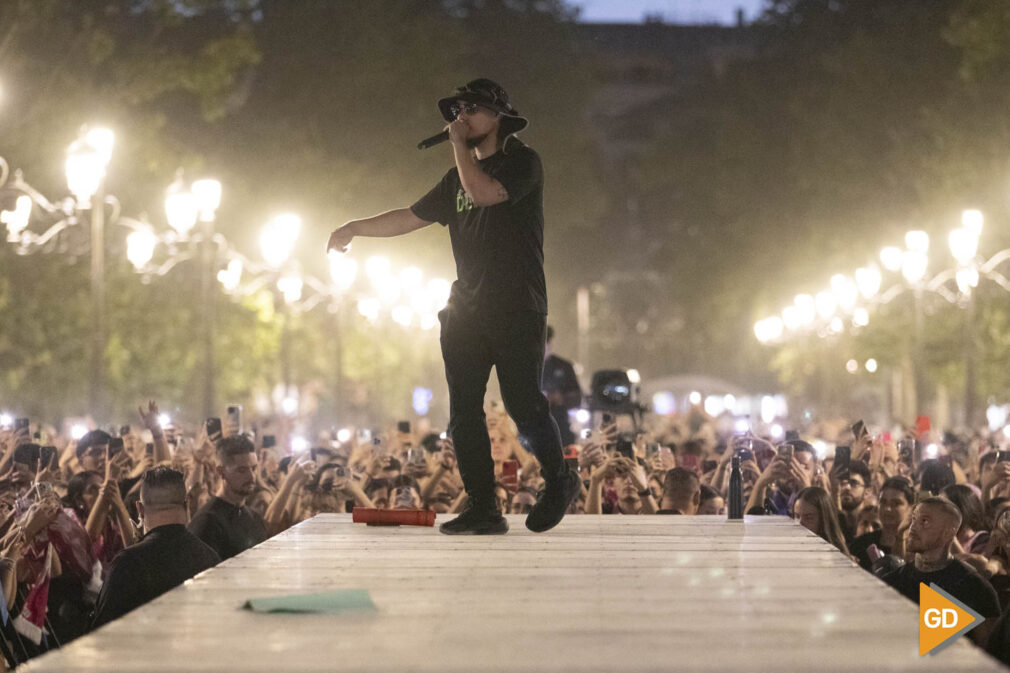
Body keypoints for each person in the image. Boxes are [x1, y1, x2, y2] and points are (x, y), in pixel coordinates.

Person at [326, 78, 578, 535]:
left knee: (523, 403)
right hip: (466, 309)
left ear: (498, 116)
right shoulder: (454, 178)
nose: (460, 118)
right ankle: (484, 506)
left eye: (472, 110)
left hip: (518, 305)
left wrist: (459, 148)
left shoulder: (523, 162)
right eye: (456, 110)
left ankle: (560, 479)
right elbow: (411, 216)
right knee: (463, 410)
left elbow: (485, 192)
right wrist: (354, 228)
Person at [92, 467, 220, 628]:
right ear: (186, 504)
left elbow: (101, 630)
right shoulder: (209, 557)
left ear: (140, 509)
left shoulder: (128, 563)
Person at [881, 496, 1000, 646]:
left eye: (924, 521)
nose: (913, 528)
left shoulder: (974, 588)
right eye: (913, 519)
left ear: (948, 532)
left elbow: (990, 652)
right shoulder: (891, 583)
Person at [188, 435, 268, 561]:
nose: (251, 476)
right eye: (242, 470)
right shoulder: (207, 522)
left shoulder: (255, 519)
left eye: (254, 468)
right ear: (221, 471)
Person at [850, 476, 914, 571]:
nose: (887, 509)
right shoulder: (861, 544)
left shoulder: (918, 547)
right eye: (883, 502)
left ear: (911, 508)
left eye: (896, 503)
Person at [541, 325, 581, 446]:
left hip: (560, 426)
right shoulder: (525, 368)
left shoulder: (564, 367)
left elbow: (577, 397)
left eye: (547, 342)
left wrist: (560, 398)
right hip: (533, 427)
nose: (544, 346)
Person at [792, 486, 851, 556]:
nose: (800, 523)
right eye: (797, 516)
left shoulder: (836, 554)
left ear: (823, 520)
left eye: (809, 518)